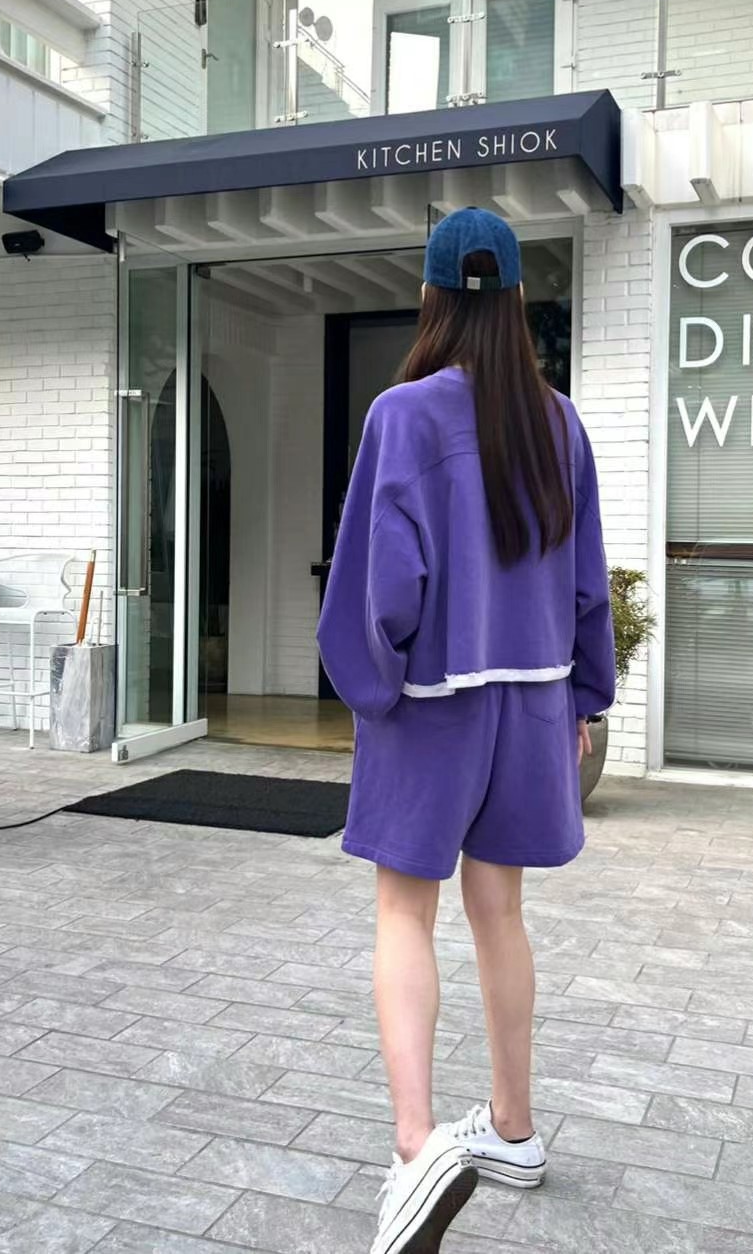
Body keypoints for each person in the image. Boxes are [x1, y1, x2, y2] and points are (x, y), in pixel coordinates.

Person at [318, 207, 616, 1254]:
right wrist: (584, 700)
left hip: (432, 704)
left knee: (405, 913)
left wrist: (372, 686)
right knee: (502, 914)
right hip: (532, 704)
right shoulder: (559, 422)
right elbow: (586, 582)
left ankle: (416, 1149)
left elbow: (378, 582)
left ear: (432, 297)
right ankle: (514, 1129)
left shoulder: (402, 415)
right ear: (518, 300)